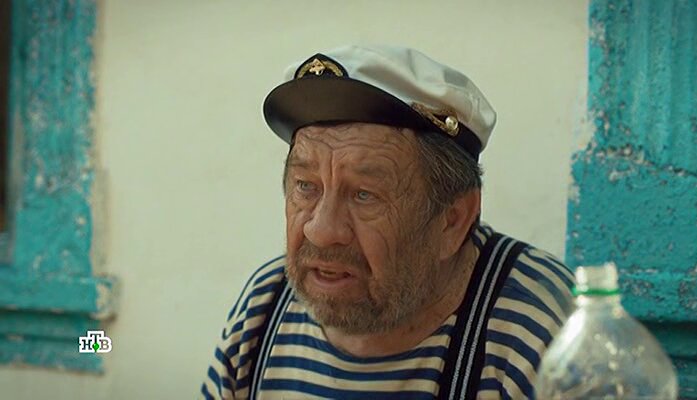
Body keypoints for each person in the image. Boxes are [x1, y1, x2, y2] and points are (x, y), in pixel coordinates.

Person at [201, 45, 574, 400]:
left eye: (364, 194)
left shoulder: (540, 331)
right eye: (306, 186)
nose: (321, 230)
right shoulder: (264, 308)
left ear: (452, 220)